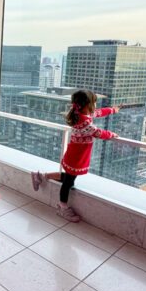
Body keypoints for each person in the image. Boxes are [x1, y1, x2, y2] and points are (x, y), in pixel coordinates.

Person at [31, 90, 120, 222]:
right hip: (77, 156)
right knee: (68, 183)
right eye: (94, 102)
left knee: (68, 177)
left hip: (75, 154)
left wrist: (113, 110)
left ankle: (40, 176)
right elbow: (96, 132)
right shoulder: (83, 120)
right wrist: (111, 134)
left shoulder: (79, 113)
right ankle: (62, 207)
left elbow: (98, 112)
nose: (95, 105)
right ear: (86, 105)